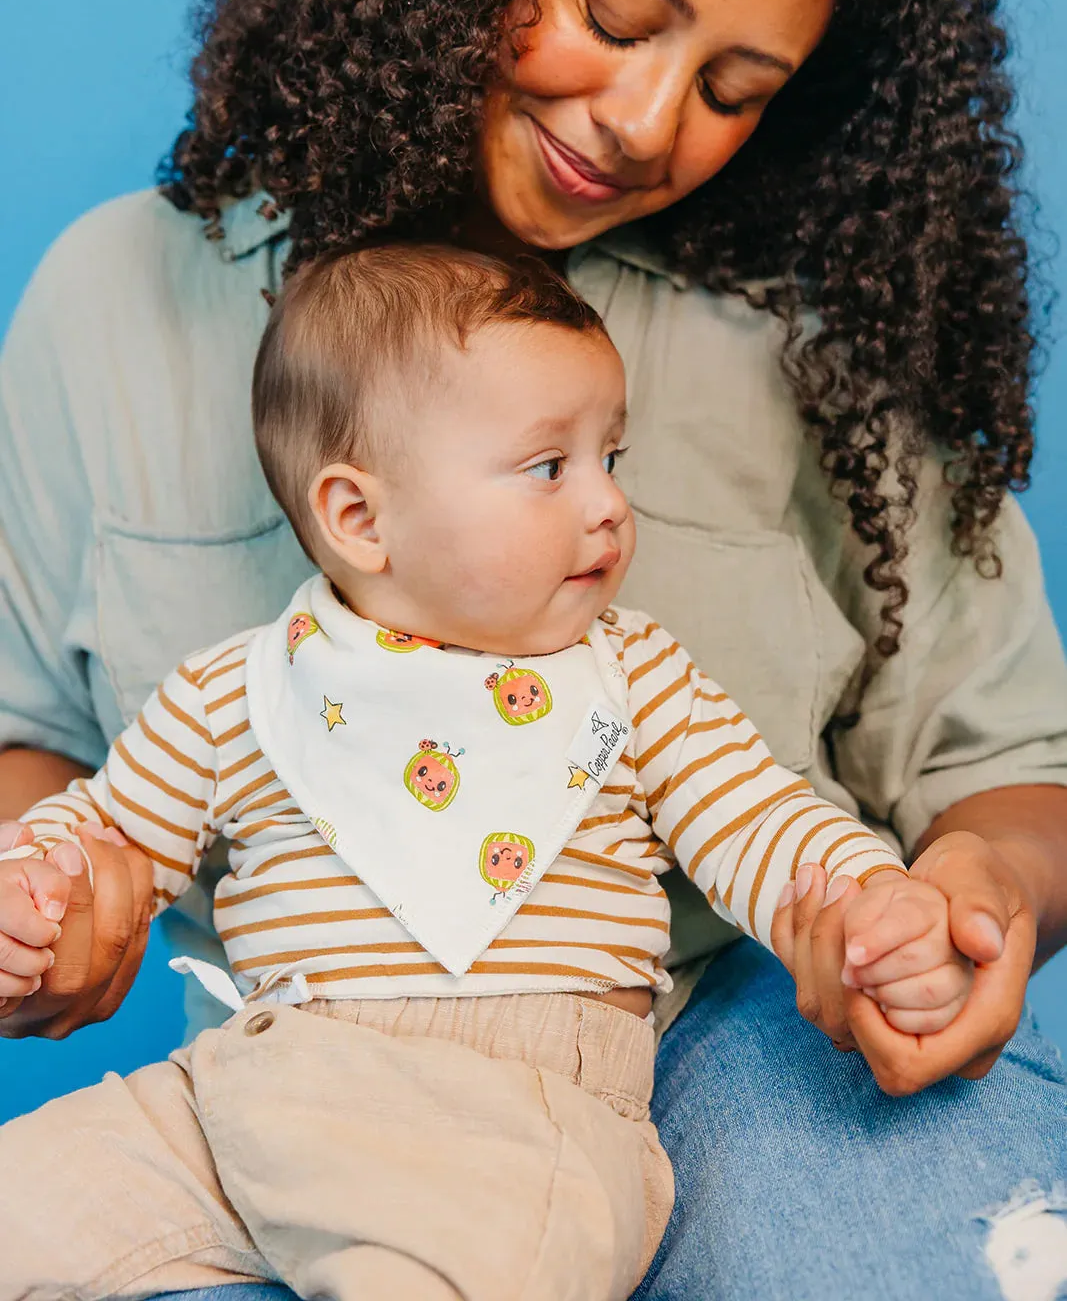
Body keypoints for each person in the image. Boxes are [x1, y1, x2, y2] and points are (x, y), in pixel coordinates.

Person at [0, 0, 1064, 1297]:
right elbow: (42, 744)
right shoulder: (114, 302)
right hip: (284, 1057)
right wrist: (52, 899)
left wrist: (958, 907)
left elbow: (1007, 778)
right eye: (612, 9)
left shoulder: (813, 355)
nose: (643, 123)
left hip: (718, 1031)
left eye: (734, 86)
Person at [2, 241, 983, 1299]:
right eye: (548, 466)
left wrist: (868, 901)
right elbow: (107, 832)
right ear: (360, 518)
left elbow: (762, 824)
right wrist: (34, 891)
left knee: (456, 1266)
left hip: (516, 1109)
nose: (606, 502)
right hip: (254, 1084)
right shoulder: (235, 690)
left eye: (611, 455)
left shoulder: (632, 679)